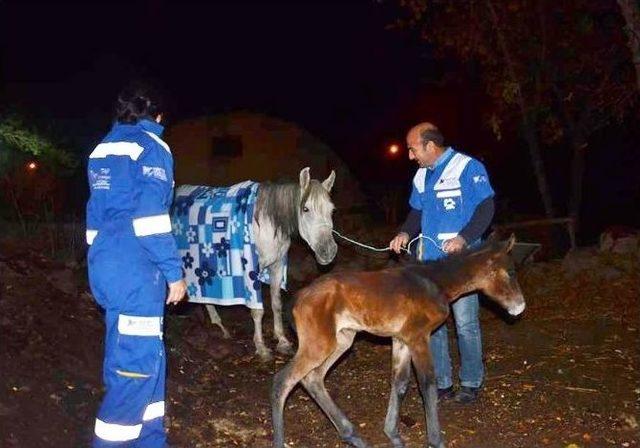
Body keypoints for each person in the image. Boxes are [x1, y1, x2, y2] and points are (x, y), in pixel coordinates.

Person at [86, 82, 187, 447]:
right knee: (134, 368)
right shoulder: (153, 146)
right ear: (158, 116)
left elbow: (94, 216)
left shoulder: (102, 149)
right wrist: (174, 274)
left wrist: (101, 266)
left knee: (147, 364)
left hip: (107, 266)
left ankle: (150, 441)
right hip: (138, 270)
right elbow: (150, 218)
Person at [389, 122, 495, 404]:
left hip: (461, 264)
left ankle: (471, 382)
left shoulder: (467, 167)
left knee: (465, 323)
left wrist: (464, 237)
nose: (411, 156)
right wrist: (404, 232)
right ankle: (443, 383)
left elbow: (486, 208)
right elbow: (416, 212)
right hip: (430, 265)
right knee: (433, 324)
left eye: (413, 150)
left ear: (430, 146)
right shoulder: (422, 176)